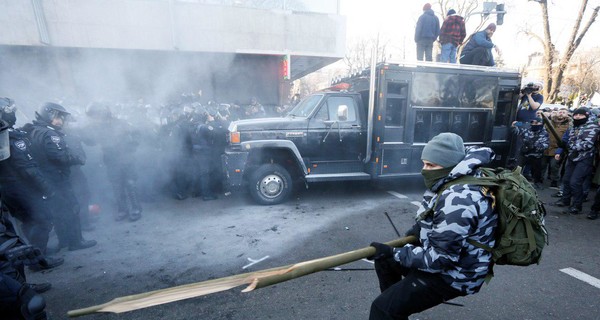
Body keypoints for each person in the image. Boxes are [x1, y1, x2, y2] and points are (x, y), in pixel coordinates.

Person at [368, 133, 497, 319]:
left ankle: (392, 309)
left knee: (382, 309)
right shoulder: (451, 179)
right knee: (386, 265)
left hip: (455, 275)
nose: (424, 170)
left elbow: (441, 259)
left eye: (431, 165)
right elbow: (434, 216)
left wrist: (393, 252)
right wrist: (419, 230)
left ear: (450, 165)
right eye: (424, 163)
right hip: (446, 261)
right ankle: (396, 307)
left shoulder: (459, 198)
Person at [28, 102, 97, 252]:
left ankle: (64, 240)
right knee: (71, 207)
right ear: (50, 115)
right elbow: (59, 156)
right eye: (59, 117)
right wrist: (77, 158)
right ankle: (76, 242)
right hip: (58, 178)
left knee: (59, 210)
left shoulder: (35, 131)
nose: (62, 121)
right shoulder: (49, 133)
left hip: (48, 178)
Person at [85, 102, 142, 222]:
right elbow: (91, 142)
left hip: (126, 160)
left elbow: (136, 133)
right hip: (111, 161)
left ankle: (136, 209)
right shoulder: (97, 127)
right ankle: (122, 210)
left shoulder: (121, 123)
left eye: (96, 115)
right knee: (117, 187)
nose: (96, 118)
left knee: (130, 184)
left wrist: (132, 146)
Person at [552, 107, 600, 215]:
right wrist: (563, 147)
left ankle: (577, 205)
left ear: (586, 115)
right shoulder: (573, 126)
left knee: (575, 182)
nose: (577, 116)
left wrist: (570, 146)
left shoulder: (592, 127)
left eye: (581, 115)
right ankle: (565, 200)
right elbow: (569, 139)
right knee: (566, 179)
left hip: (584, 158)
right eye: (576, 114)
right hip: (572, 157)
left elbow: (587, 144)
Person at [512, 117, 549, 189]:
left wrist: (535, 146)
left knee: (537, 170)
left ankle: (537, 182)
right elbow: (519, 126)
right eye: (533, 122)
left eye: (537, 123)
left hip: (536, 155)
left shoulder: (544, 133)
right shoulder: (527, 129)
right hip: (525, 153)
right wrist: (514, 125)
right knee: (518, 167)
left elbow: (546, 145)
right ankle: (514, 181)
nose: (534, 124)